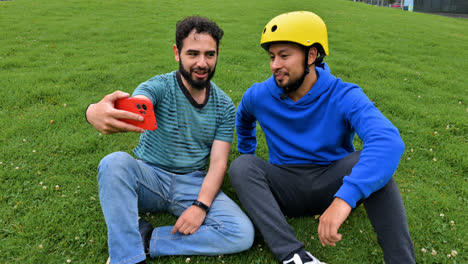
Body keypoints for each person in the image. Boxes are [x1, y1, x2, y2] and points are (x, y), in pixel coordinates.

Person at [229, 11, 415, 264]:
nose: (275, 65)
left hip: (333, 183)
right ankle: (294, 256)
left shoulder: (344, 94)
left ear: (312, 55)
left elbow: (388, 141)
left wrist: (344, 199)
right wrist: (247, 149)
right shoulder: (259, 95)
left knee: (371, 160)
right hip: (285, 187)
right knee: (242, 166)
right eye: (272, 57)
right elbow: (244, 118)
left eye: (284, 56)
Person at [85, 16, 254, 264]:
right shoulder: (160, 86)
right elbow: (140, 103)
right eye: (193, 53)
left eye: (209, 54)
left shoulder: (224, 106)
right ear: (177, 53)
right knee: (114, 163)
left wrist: (200, 206)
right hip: (148, 177)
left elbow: (218, 163)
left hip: (192, 183)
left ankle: (147, 239)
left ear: (218, 54)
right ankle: (127, 258)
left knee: (241, 233)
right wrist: (93, 111)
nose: (202, 63)